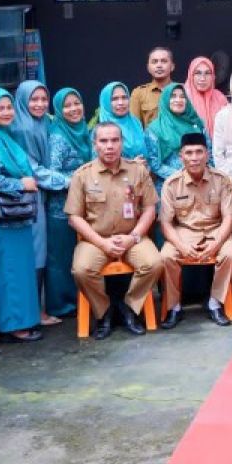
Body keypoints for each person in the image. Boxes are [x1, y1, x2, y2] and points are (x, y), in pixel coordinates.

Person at [0, 87, 66, 344]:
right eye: (0, 108)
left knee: (18, 269)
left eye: (8, 108)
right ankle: (14, 326)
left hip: (14, 216)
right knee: (11, 271)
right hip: (5, 218)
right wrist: (20, 184)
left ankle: (19, 322)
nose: (7, 113)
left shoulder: (4, 135)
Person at [66, 122, 163, 340]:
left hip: (133, 237)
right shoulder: (82, 175)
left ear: (122, 142)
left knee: (154, 263)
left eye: (114, 140)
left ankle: (129, 308)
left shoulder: (138, 171)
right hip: (95, 240)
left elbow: (149, 209)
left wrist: (133, 237)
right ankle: (104, 311)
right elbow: (74, 217)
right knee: (81, 270)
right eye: (103, 141)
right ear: (95, 144)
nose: (109, 146)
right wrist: (102, 243)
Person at [158, 132, 232, 328]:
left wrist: (217, 242)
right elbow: (166, 223)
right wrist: (181, 245)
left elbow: (229, 216)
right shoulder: (171, 184)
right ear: (181, 156)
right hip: (184, 233)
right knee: (166, 255)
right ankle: (174, 307)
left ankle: (215, 303)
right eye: (189, 153)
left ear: (207, 154)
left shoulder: (221, 180)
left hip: (216, 230)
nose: (194, 158)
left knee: (230, 254)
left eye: (198, 152)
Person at [9, 79, 63, 326]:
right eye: (34, 99)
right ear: (22, 100)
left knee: (41, 253)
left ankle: (36, 310)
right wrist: (69, 179)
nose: (40, 104)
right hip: (29, 197)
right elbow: (33, 170)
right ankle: (35, 313)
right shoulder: (21, 129)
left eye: (43, 99)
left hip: (43, 195)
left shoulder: (45, 122)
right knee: (36, 254)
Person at [45, 87, 92, 320]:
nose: (74, 109)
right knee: (61, 259)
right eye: (67, 106)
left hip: (84, 207)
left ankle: (80, 300)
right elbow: (51, 175)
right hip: (61, 207)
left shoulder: (85, 132)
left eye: (77, 103)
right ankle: (61, 305)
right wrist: (78, 181)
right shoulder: (58, 137)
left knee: (80, 256)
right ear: (59, 111)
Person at [146, 83, 208, 193]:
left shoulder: (197, 124)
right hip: (170, 185)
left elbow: (209, 154)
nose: (178, 100)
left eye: (182, 96)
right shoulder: (155, 129)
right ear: (165, 100)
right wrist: (183, 176)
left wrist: (204, 176)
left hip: (200, 183)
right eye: (173, 96)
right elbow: (154, 164)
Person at [101, 81, 148, 161]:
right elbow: (99, 163)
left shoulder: (135, 122)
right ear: (106, 102)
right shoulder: (100, 128)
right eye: (114, 99)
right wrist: (131, 164)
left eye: (124, 97)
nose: (121, 103)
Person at [130, 46, 175, 126]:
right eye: (154, 62)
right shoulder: (139, 93)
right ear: (148, 68)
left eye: (164, 61)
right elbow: (134, 127)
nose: (159, 65)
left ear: (172, 66)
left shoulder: (182, 90)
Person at [184, 55, 227, 134]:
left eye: (207, 73)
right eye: (197, 73)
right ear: (191, 76)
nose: (202, 78)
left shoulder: (220, 98)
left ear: (213, 76)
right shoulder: (182, 97)